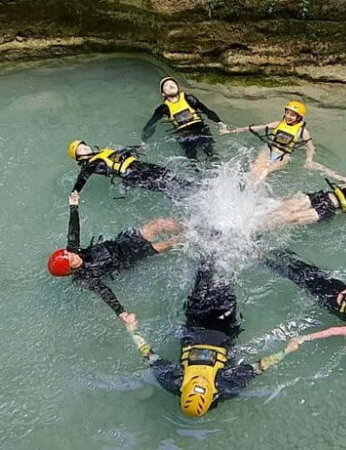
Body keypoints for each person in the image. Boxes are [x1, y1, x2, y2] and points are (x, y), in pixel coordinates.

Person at [119, 256, 298, 417]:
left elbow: (148, 354)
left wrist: (132, 329)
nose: (199, 378)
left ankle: (210, 246)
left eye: (194, 381)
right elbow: (260, 366)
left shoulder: (172, 380)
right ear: (213, 394)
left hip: (195, 326)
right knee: (224, 280)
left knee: (205, 271)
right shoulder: (227, 386)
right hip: (224, 328)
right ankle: (232, 248)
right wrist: (287, 350)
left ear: (182, 389)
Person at [46, 191, 181, 315]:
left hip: (121, 242)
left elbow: (73, 230)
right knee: (170, 243)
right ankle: (192, 238)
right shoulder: (88, 277)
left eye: (68, 253)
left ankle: (188, 226)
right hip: (130, 256)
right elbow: (106, 294)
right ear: (70, 268)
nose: (72, 254)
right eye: (70, 258)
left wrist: (73, 206)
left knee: (159, 223)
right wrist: (121, 313)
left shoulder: (73, 251)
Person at [220, 100, 327, 186]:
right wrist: (230, 131)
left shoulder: (303, 132)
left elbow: (310, 148)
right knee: (255, 168)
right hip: (269, 149)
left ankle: (253, 190)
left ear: (299, 117)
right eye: (287, 113)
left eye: (293, 115)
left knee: (266, 171)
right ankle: (241, 186)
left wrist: (309, 160)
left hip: (283, 155)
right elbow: (255, 128)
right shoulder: (277, 124)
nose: (289, 116)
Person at [141, 77, 227, 161]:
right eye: (166, 85)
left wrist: (220, 123)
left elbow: (207, 111)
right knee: (192, 158)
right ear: (163, 93)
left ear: (178, 88)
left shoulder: (189, 99)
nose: (170, 85)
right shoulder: (164, 108)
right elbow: (151, 124)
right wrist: (144, 140)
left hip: (200, 129)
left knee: (210, 152)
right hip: (184, 135)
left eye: (172, 84)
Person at [68, 140, 194, 195]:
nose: (85, 148)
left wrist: (137, 147)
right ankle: (190, 196)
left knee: (167, 174)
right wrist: (75, 192)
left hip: (138, 166)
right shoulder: (90, 165)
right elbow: (82, 179)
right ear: (79, 158)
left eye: (84, 146)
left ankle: (194, 187)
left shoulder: (102, 152)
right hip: (131, 175)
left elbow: (122, 152)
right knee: (165, 185)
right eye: (81, 150)